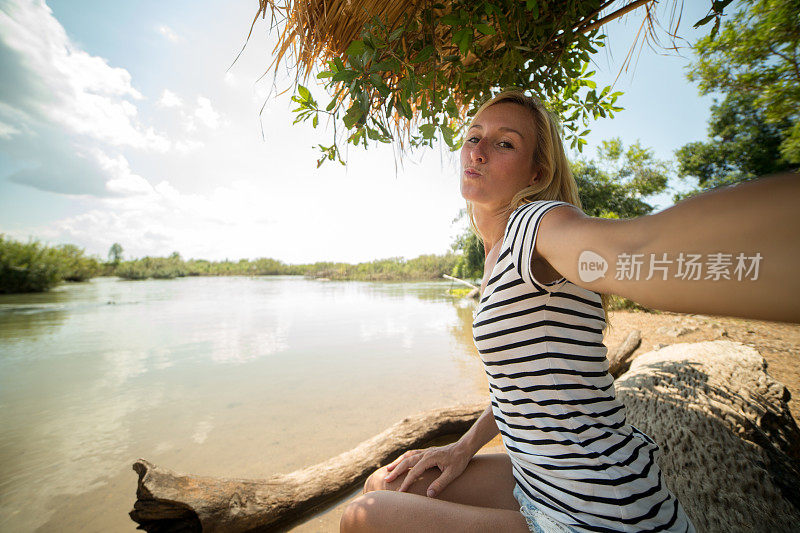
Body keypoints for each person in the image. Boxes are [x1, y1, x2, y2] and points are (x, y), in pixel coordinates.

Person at [339, 90, 800, 533]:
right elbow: (517, 385)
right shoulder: (497, 252)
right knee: (387, 482)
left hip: (597, 507)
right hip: (539, 476)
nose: (477, 151)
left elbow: (635, 250)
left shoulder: (537, 224)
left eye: (504, 143)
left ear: (536, 173)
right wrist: (462, 447)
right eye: (473, 136)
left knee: (362, 517)